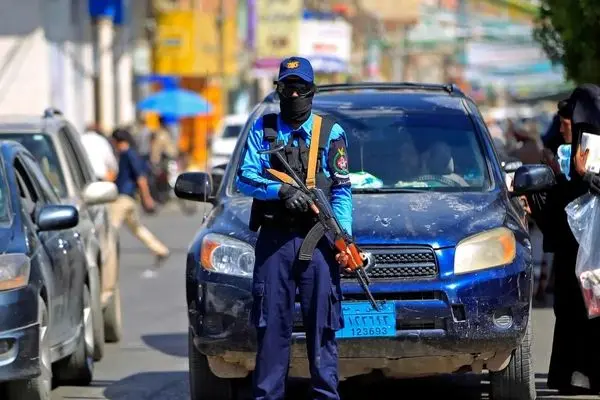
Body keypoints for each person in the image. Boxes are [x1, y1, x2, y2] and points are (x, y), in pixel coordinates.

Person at [235, 57, 353, 400]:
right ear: (278, 90)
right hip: (275, 242)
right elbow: (246, 177)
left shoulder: (331, 132)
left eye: (300, 87)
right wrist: (280, 191)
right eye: (287, 87)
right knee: (272, 327)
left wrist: (342, 236)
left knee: (323, 329)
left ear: (312, 91)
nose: (294, 93)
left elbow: (343, 190)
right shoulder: (263, 129)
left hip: (320, 243)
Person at [540, 84, 600, 395]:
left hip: (590, 251)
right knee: (573, 309)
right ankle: (573, 375)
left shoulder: (589, 148)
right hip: (575, 252)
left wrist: (585, 175)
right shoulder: (572, 148)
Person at [109, 128, 170, 266]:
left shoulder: (128, 155)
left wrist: (147, 198)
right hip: (130, 198)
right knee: (137, 228)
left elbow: (141, 179)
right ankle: (160, 249)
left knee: (110, 229)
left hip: (122, 198)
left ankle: (108, 260)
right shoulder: (131, 154)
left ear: (116, 141)